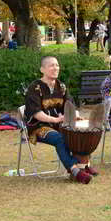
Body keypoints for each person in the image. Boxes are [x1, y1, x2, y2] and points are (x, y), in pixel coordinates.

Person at [25, 56, 95, 184]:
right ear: (42, 69)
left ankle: (84, 165)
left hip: (58, 125)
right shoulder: (34, 88)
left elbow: (70, 106)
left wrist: (74, 115)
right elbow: (36, 114)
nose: (55, 68)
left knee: (78, 132)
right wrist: (56, 120)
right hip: (38, 127)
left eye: (57, 65)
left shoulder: (61, 86)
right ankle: (75, 171)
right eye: (51, 65)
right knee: (60, 138)